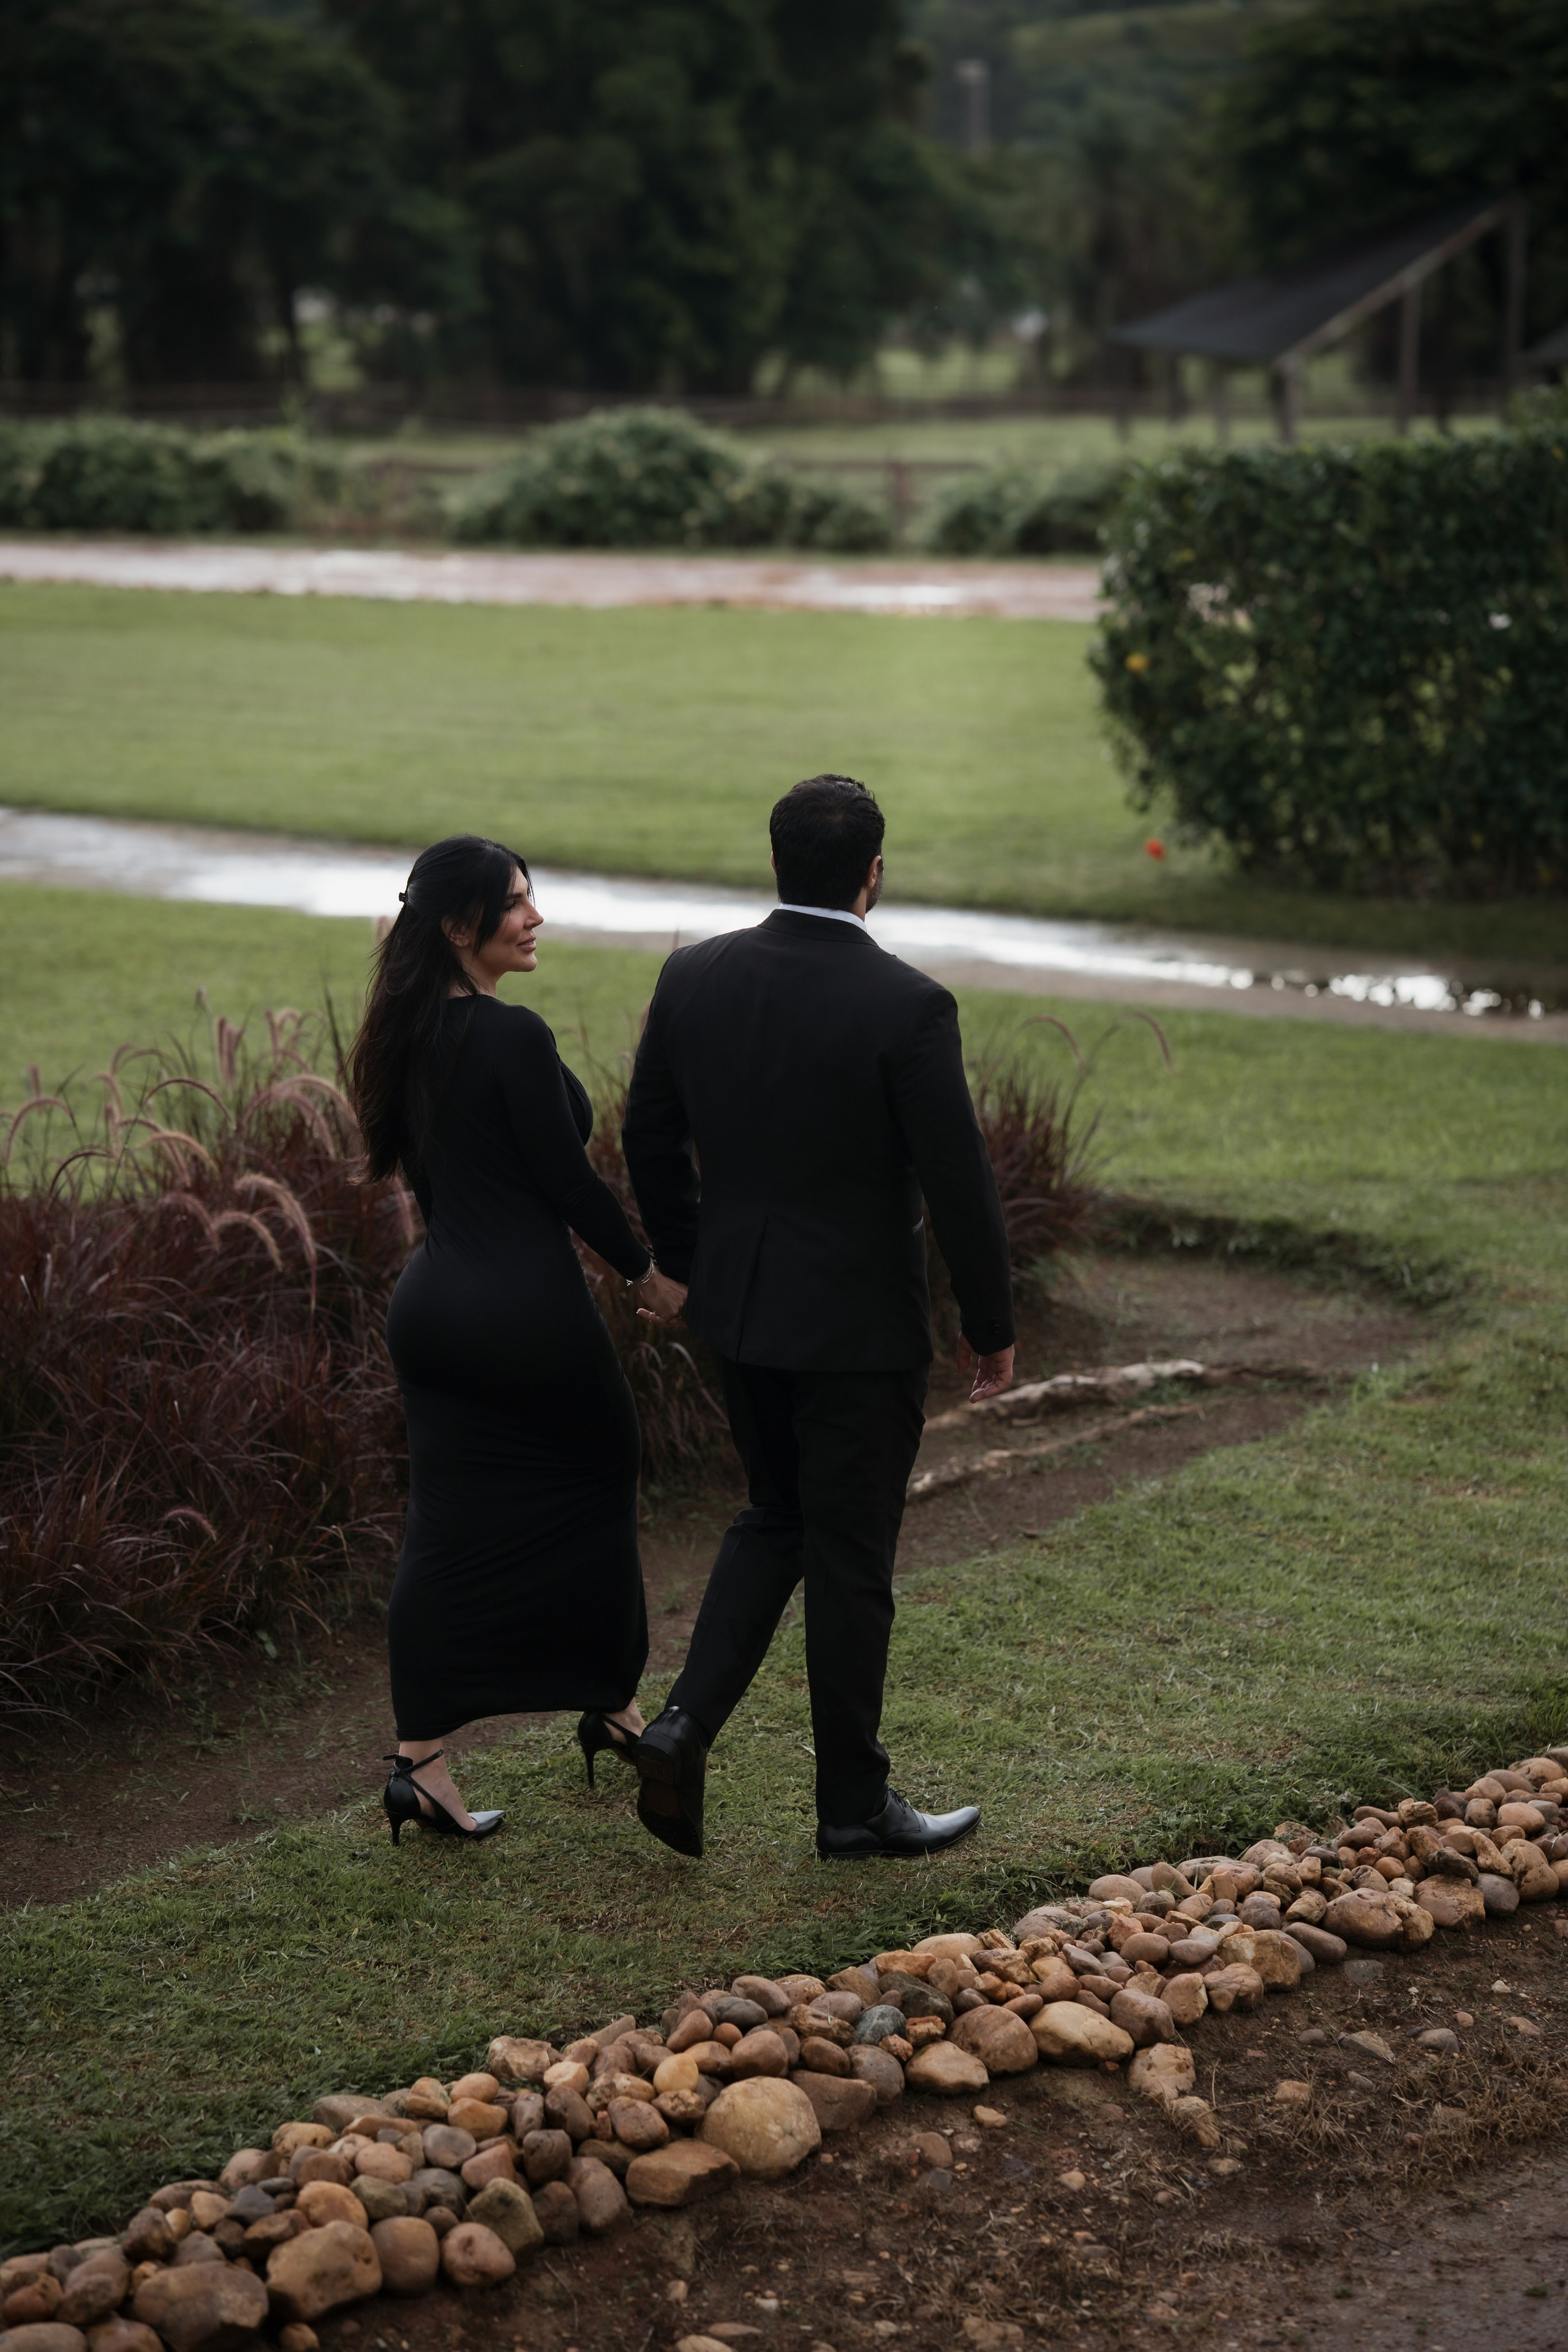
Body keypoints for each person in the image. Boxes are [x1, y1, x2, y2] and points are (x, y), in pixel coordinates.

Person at [621, 775, 1016, 1861]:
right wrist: (993, 1325)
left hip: (742, 1319)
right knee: (849, 1556)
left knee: (776, 1515)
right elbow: (960, 1180)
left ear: (778, 861)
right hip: (857, 1334)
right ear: (873, 875)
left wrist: (690, 1260)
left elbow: (646, 1131)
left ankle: (681, 1726)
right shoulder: (908, 1005)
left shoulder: (694, 975)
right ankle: (851, 1807)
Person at [349, 834, 687, 1842]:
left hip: (433, 1309)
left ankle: (420, 1764)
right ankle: (618, 1709)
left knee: (447, 1528)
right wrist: (649, 1273)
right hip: (523, 1313)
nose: (535, 918)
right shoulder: (508, 1035)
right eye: (516, 904)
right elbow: (570, 1184)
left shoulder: (403, 1035)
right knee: (605, 1466)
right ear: (461, 926)